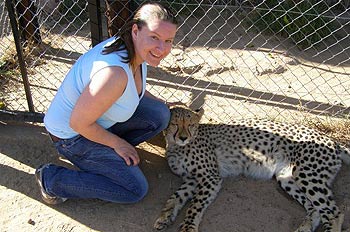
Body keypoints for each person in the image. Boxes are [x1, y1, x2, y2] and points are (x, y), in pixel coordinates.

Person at [35, 2, 178, 205]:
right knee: (134, 189)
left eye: (168, 40)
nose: (162, 48)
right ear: (136, 30)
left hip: (93, 121)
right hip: (71, 137)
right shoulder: (114, 74)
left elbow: (133, 89)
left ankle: (108, 158)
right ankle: (51, 179)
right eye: (154, 37)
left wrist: (161, 102)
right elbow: (78, 123)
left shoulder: (133, 49)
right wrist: (117, 143)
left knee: (160, 114)